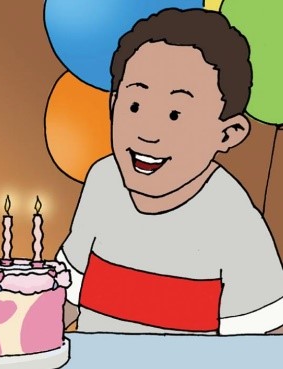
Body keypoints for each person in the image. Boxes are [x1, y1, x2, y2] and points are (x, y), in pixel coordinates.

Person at [57, 8, 283, 335]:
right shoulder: (103, 182)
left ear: (227, 133)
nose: (148, 132)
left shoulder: (235, 223)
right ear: (113, 106)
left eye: (176, 114)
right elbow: (67, 297)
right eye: (135, 106)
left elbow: (265, 343)